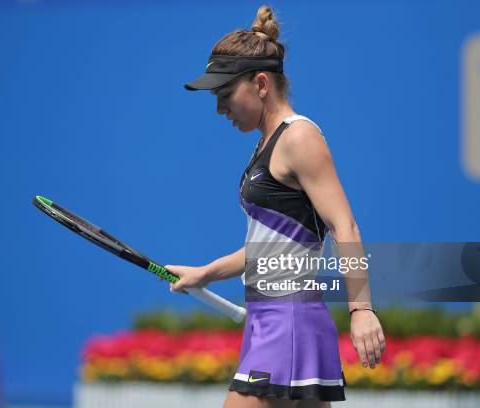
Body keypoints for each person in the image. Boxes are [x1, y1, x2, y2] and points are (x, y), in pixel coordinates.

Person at [167, 5, 386, 408]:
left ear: (261, 83)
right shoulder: (264, 146)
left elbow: (344, 226)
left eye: (225, 94)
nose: (220, 109)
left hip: (289, 321)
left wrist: (361, 310)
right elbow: (266, 250)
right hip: (270, 320)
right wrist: (206, 273)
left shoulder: (299, 138)